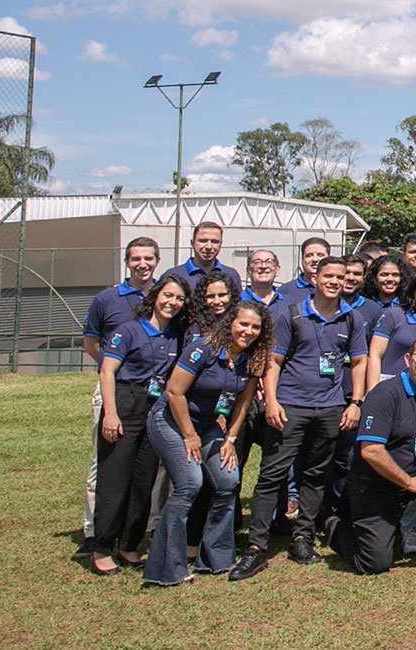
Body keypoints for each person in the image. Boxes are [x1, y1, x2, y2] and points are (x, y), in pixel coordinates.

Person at [232, 256, 369, 582]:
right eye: (328, 276)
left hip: (330, 408)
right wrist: (272, 401)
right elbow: (274, 361)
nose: (334, 282)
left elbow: (359, 362)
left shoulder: (353, 319)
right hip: (289, 407)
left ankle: (302, 537)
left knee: (315, 475)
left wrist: (356, 402)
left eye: (340, 277)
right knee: (271, 475)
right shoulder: (291, 314)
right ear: (314, 278)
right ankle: (256, 547)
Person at [141, 302, 268, 586]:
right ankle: (167, 567)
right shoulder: (202, 349)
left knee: (227, 480)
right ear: (230, 323)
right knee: (189, 484)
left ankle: (215, 558)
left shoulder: (252, 358)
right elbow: (174, 392)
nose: (248, 331)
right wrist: (189, 435)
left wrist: (230, 438)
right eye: (243, 324)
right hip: (170, 421)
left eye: (255, 327)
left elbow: (244, 401)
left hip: (208, 426)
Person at [327, 338, 416, 575]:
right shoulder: (384, 394)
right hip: (377, 484)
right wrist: (410, 483)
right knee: (374, 562)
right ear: (408, 359)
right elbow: (371, 451)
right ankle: (334, 525)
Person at [89, 275, 189, 574]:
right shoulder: (128, 330)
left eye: (179, 298)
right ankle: (102, 548)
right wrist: (110, 413)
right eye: (167, 295)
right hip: (125, 403)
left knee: (144, 482)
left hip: (155, 408)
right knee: (115, 480)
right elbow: (107, 371)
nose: (172, 302)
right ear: (155, 296)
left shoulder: (176, 336)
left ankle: (129, 545)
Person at [366, 272, 416, 388]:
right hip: (387, 384)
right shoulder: (394, 316)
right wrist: (373, 390)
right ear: (413, 291)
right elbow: (375, 355)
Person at [161, 221, 242, 286]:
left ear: (221, 244)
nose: (209, 247)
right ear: (192, 243)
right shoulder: (173, 275)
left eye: (214, 242)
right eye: (203, 241)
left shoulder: (231, 275)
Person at [275, 237, 331, 303]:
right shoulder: (286, 290)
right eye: (309, 255)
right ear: (302, 259)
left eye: (320, 255)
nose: (315, 259)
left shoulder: (336, 288)